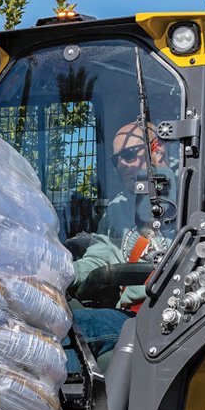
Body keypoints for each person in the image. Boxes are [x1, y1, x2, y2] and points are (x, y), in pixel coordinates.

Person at [68, 120, 171, 366]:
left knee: (76, 328)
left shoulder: (191, 198)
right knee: (60, 320)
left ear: (157, 150)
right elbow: (98, 257)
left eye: (129, 154)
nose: (122, 164)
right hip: (132, 315)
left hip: (174, 317)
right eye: (117, 160)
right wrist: (62, 274)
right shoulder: (118, 209)